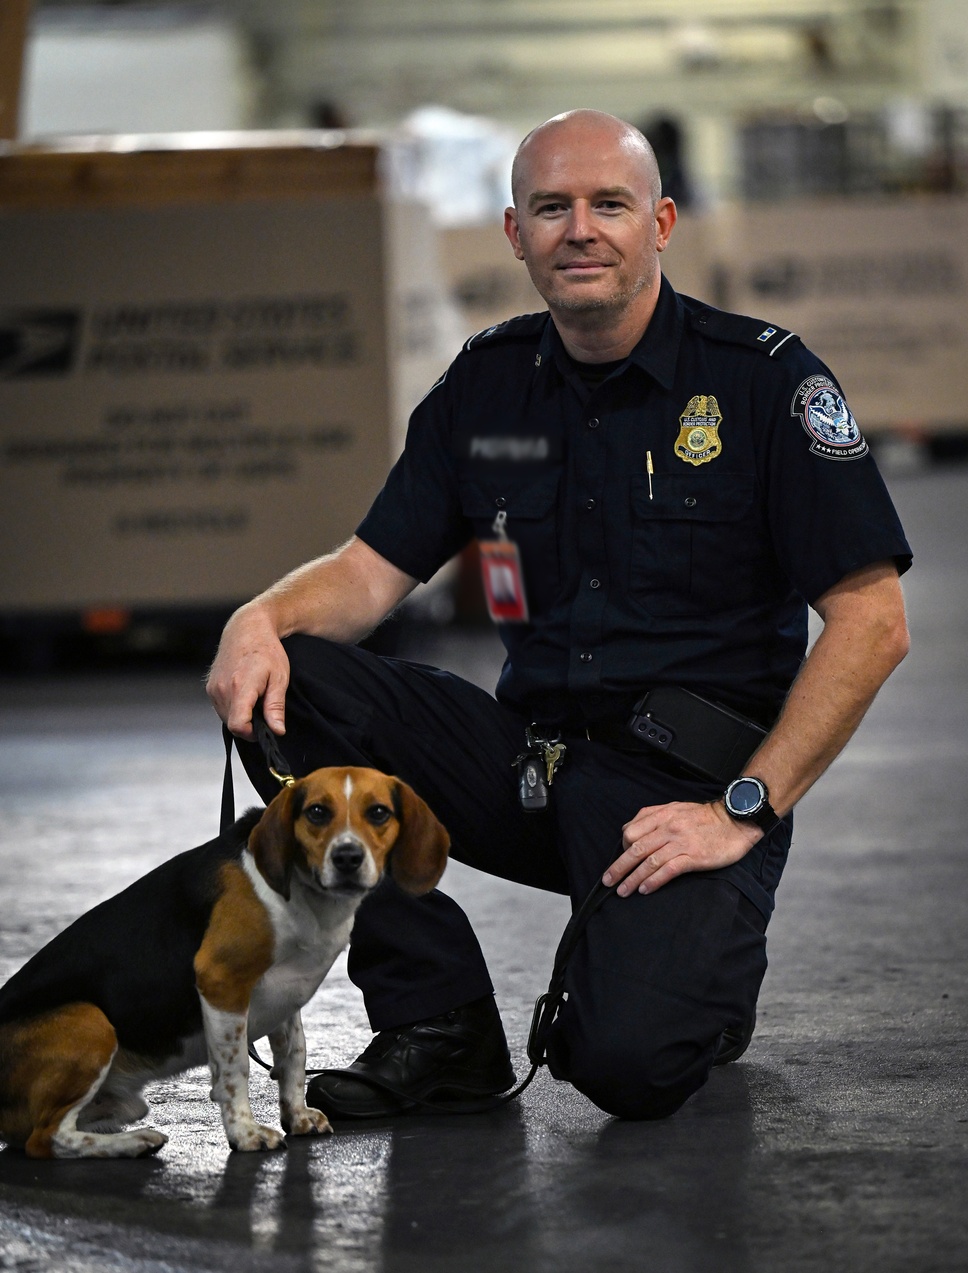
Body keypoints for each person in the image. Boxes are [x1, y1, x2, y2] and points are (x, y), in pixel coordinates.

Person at [207, 110, 911, 1122]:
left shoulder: (762, 383)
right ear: (514, 234)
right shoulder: (486, 384)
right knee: (289, 677)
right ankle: (437, 1020)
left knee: (625, 1063)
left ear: (660, 221)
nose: (579, 229)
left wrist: (741, 811)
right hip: (525, 768)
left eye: (608, 204)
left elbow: (872, 620)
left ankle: (692, 974)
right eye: (551, 207)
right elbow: (368, 574)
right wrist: (258, 616)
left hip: (679, 798)